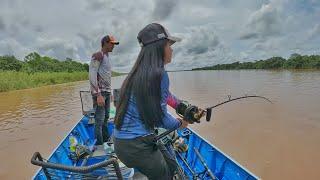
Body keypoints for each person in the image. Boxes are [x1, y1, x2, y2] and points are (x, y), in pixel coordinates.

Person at [113, 23, 189, 179]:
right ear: (159, 46)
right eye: (169, 44)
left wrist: (181, 106)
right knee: (166, 175)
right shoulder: (159, 74)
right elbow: (160, 118)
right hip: (136, 144)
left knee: (172, 164)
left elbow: (166, 95)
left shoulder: (139, 73)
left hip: (122, 143)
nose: (172, 49)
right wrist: (180, 124)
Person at [89, 35, 119, 145]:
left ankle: (106, 141)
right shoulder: (98, 55)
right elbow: (92, 75)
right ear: (105, 43)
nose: (113, 46)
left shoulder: (107, 57)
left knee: (106, 118)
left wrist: (109, 92)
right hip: (100, 93)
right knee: (99, 121)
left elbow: (106, 76)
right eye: (112, 43)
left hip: (106, 92)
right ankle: (100, 145)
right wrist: (98, 95)